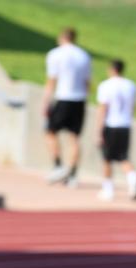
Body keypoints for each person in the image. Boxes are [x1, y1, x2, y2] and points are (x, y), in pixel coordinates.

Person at [43, 27, 92, 187]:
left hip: (63, 98)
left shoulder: (55, 54)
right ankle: (72, 174)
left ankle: (58, 166)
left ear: (62, 37)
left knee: (50, 132)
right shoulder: (84, 56)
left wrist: (46, 102)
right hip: (79, 100)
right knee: (75, 138)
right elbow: (87, 83)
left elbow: (52, 81)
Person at [95, 59, 136, 201]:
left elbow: (103, 108)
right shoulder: (131, 86)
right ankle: (133, 178)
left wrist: (98, 130)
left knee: (107, 158)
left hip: (111, 125)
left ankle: (108, 189)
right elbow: (133, 107)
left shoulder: (106, 86)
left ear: (111, 69)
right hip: (125, 125)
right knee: (123, 157)